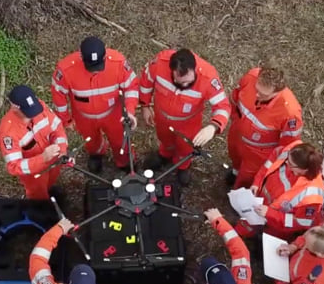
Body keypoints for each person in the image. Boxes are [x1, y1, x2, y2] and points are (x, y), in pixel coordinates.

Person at [138, 48, 231, 186]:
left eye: (188, 81)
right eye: (179, 81)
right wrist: (145, 105)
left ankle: (182, 166)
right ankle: (164, 154)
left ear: (194, 69)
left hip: (188, 123)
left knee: (185, 147)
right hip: (162, 117)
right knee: (164, 138)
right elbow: (146, 82)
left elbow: (223, 106)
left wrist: (213, 126)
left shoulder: (208, 77)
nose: (184, 85)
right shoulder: (158, 64)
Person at [50, 36, 139, 172]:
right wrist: (65, 119)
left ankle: (125, 162)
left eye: (98, 66)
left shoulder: (118, 63)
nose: (95, 71)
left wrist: (130, 111)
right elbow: (58, 95)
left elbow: (131, 87)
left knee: (120, 139)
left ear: (104, 57)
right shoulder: (66, 70)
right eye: (90, 67)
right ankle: (97, 154)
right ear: (81, 56)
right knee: (91, 141)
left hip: (113, 114)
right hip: (84, 117)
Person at [226, 64, 303, 189]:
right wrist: (235, 118)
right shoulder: (251, 77)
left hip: (258, 153)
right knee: (234, 155)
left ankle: (239, 192)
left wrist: (272, 162)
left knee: (247, 176)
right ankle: (235, 172)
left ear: (277, 92)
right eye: (256, 90)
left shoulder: (290, 113)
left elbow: (288, 144)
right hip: (237, 133)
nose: (257, 95)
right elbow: (235, 97)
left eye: (263, 94)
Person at [236, 140, 324, 241]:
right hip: (260, 204)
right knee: (246, 225)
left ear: (304, 170)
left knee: (265, 244)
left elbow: (300, 222)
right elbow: (268, 165)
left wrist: (270, 214)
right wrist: (257, 183)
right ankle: (240, 236)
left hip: (278, 227)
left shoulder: (312, 196)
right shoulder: (290, 152)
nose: (286, 162)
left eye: (291, 164)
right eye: (287, 160)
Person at [0, 85, 69, 200]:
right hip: (33, 172)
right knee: (38, 195)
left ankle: (49, 189)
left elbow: (57, 127)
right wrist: (43, 159)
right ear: (14, 107)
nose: (34, 115)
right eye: (28, 113)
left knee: (51, 179)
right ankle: (42, 209)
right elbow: (13, 166)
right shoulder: (8, 132)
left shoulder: (39, 106)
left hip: (53, 158)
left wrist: (62, 149)